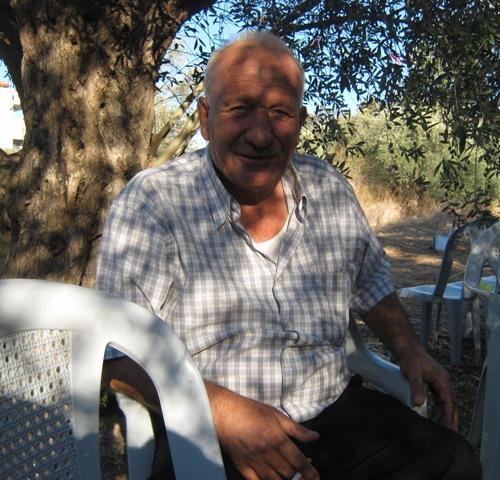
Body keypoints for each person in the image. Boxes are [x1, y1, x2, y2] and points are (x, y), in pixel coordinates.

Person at [96, 31, 481, 480]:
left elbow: (372, 286)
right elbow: (116, 358)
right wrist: (221, 412)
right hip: (208, 428)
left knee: (453, 463)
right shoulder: (154, 202)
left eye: (279, 113)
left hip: (334, 413)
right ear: (205, 118)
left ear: (299, 122)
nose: (260, 134)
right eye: (240, 109)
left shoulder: (328, 189)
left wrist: (408, 348)